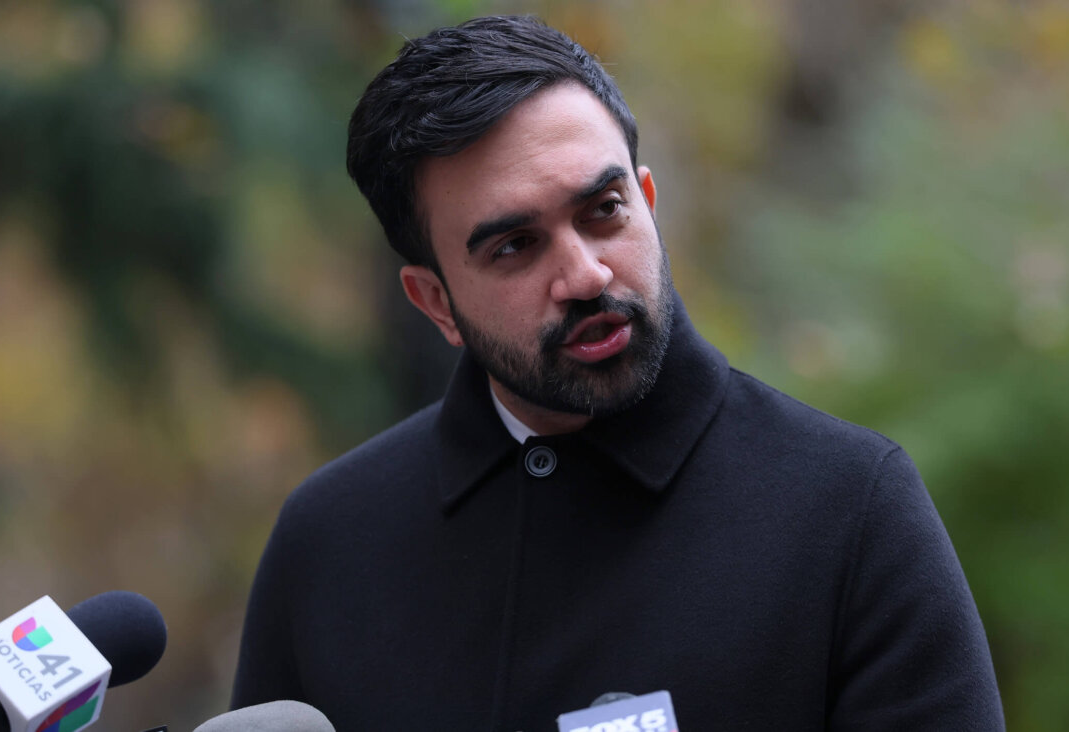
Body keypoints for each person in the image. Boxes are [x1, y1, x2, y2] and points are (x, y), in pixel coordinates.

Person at [231, 15, 1004, 731]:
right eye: (515, 247)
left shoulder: (850, 510)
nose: (585, 275)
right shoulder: (328, 545)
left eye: (603, 210)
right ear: (436, 302)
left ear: (648, 200)